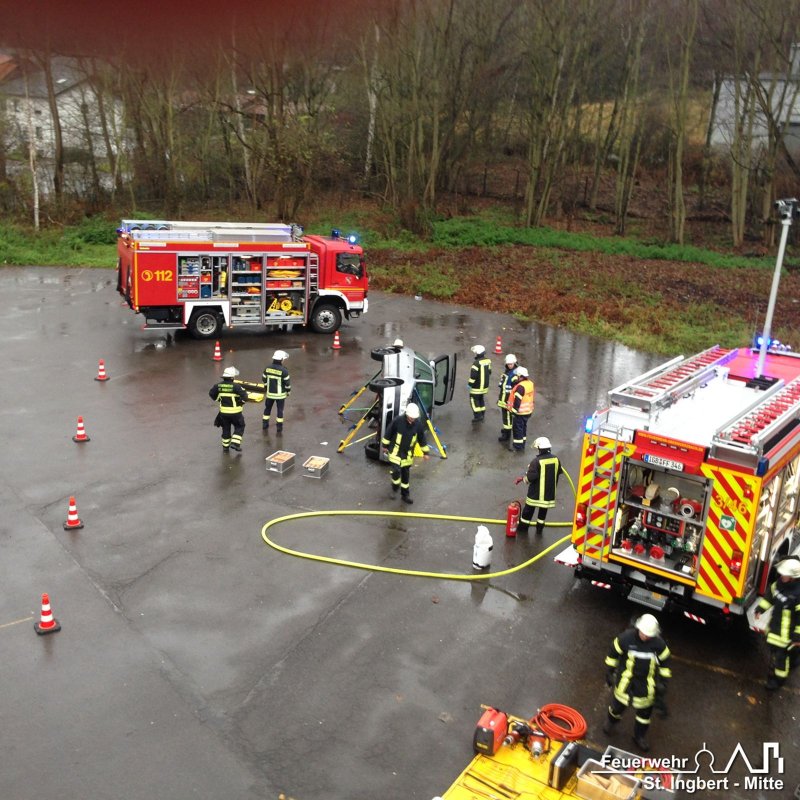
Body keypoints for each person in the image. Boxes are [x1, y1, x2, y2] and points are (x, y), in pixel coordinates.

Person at [603, 613, 672, 752]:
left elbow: (665, 664)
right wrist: (610, 672)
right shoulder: (625, 639)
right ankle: (610, 723)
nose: (646, 636)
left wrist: (663, 683)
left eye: (649, 635)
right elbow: (613, 654)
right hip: (625, 682)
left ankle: (639, 737)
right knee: (617, 708)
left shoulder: (659, 645)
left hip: (646, 686)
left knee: (644, 716)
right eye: (644, 633)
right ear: (638, 628)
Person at [755, 557, 800, 690]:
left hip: (786, 636)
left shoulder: (798, 594)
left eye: (784, 574)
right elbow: (770, 597)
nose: (781, 576)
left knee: (781, 659)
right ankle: (793, 659)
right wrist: (760, 609)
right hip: (775, 629)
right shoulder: (779, 585)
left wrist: (797, 637)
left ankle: (777, 680)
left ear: (793, 577)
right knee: (776, 652)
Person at [381, 402, 430, 504]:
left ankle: (405, 495)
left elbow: (422, 439)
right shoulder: (398, 421)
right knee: (396, 471)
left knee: (405, 475)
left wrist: (425, 453)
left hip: (407, 454)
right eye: (411, 417)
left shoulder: (418, 425)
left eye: (414, 418)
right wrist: (385, 446)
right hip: (395, 451)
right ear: (407, 414)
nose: (413, 419)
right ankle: (395, 488)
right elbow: (388, 432)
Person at [514, 437, 562, 534]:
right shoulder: (556, 459)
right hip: (549, 494)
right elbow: (558, 472)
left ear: (540, 448)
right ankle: (539, 529)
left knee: (528, 512)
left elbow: (530, 478)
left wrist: (523, 478)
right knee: (542, 513)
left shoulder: (536, 461)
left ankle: (523, 528)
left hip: (535, 494)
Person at [209, 366, 248, 452]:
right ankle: (235, 443)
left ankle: (225, 447)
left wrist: (218, 399)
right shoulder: (237, 386)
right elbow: (245, 396)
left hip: (223, 413)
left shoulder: (218, 386)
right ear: (232, 377)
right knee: (240, 426)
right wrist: (241, 402)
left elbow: (211, 393)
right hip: (236, 413)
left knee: (226, 429)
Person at [262, 350, 291, 432]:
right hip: (280, 395)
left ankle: (265, 424)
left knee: (267, 409)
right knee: (280, 411)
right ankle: (279, 427)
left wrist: (267, 388)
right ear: (281, 359)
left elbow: (264, 379)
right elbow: (287, 384)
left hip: (270, 394)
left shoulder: (267, 368)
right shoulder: (284, 370)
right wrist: (288, 391)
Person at [506, 366, 535, 450]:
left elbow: (517, 401)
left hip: (520, 413)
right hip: (528, 411)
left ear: (520, 376)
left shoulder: (520, 387)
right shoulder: (530, 383)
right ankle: (522, 444)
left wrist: (514, 412)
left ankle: (518, 446)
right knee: (523, 428)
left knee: (517, 429)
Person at [468, 344, 492, 422]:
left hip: (476, 388)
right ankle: (482, 413)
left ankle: (478, 416)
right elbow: (489, 372)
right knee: (481, 399)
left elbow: (473, 377)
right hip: (484, 387)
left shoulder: (476, 363)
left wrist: (469, 385)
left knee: (474, 400)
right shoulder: (488, 361)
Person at [497, 353, 518, 442]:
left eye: (511, 364)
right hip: (504, 398)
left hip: (508, 400)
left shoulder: (514, 374)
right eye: (508, 364)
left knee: (508, 418)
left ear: (514, 363)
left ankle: (507, 434)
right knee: (505, 417)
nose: (509, 365)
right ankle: (506, 430)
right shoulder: (508, 372)